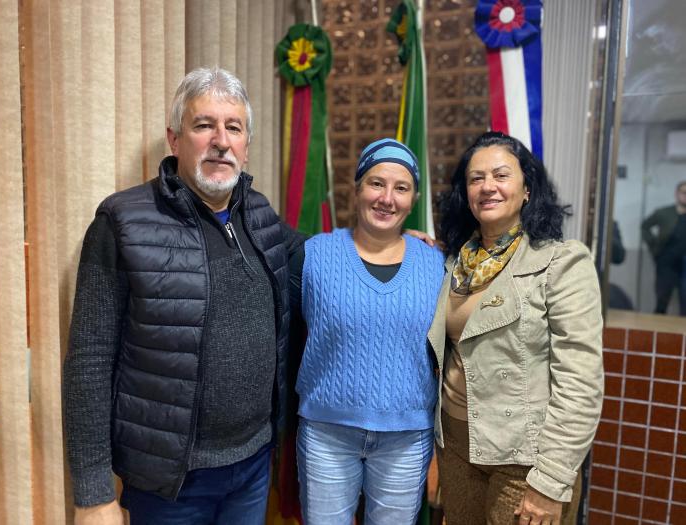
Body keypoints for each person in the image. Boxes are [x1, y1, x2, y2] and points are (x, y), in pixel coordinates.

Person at [63, 66, 304, 525]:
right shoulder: (121, 222)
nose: (221, 141)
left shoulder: (258, 213)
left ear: (246, 146)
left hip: (253, 465)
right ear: (175, 140)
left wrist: (392, 246)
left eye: (234, 128)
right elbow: (89, 362)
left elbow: (320, 257)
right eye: (204, 125)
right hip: (169, 483)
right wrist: (93, 494)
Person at [429, 131, 604, 525]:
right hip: (456, 449)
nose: (487, 186)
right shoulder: (454, 263)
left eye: (501, 175)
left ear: (527, 190)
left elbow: (581, 382)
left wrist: (552, 481)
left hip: (525, 461)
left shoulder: (561, 263)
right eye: (476, 178)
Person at [289, 138, 444, 524]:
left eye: (401, 188)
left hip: (406, 439)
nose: (387, 198)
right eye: (376, 183)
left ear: (413, 199)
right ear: (356, 189)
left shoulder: (437, 265)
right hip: (326, 435)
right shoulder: (313, 255)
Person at [641, 180, 686, 314]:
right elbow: (645, 226)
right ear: (677, 194)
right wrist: (653, 245)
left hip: (685, 264)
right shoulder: (664, 213)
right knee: (662, 299)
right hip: (666, 263)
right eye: (684, 192)